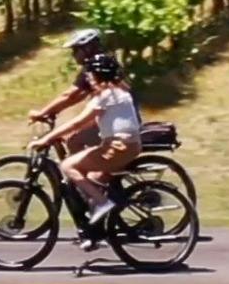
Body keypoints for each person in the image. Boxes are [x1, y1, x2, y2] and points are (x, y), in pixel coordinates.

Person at [24, 29, 146, 220]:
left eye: (76, 50)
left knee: (73, 141)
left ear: (88, 48)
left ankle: (89, 187)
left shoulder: (97, 68)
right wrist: (52, 113)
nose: (74, 55)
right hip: (122, 122)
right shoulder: (106, 68)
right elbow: (79, 96)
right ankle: (91, 183)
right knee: (74, 139)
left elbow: (71, 96)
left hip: (119, 126)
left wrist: (43, 114)